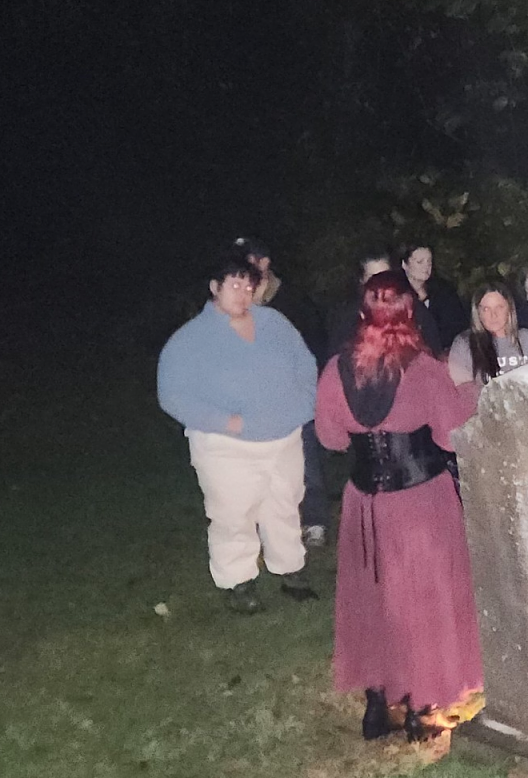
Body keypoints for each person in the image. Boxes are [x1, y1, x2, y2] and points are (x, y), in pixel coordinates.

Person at [314, 271, 485, 743]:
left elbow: (330, 438)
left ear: (364, 312)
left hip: (364, 504)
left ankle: (377, 705)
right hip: (418, 503)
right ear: (408, 312)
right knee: (421, 602)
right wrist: (468, 395)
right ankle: (420, 709)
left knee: (375, 600)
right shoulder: (424, 369)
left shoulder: (336, 369)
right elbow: (450, 435)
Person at [156, 253, 319, 613]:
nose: (243, 293)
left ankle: (290, 569)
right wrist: (226, 422)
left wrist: (305, 405)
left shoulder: (274, 323)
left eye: (249, 285)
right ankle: (238, 581)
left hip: (283, 438)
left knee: (285, 505)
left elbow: (304, 363)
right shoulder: (190, 340)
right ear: (215, 288)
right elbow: (172, 394)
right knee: (234, 514)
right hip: (228, 448)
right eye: (234, 285)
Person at [235, 235, 334, 550]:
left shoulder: (292, 300)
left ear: (264, 262)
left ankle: (315, 520)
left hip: (293, 398)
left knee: (306, 459)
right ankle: (272, 526)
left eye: (250, 261)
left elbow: (314, 344)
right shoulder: (238, 302)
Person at [448, 285, 528, 385]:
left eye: (499, 307)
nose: (494, 315)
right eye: (486, 309)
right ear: (478, 313)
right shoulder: (464, 344)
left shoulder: (527, 339)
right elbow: (461, 391)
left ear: (509, 309)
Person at [399, 243, 469, 355]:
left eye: (429, 262)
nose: (426, 266)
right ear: (405, 264)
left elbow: (458, 327)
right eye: (420, 262)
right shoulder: (396, 295)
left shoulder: (444, 291)